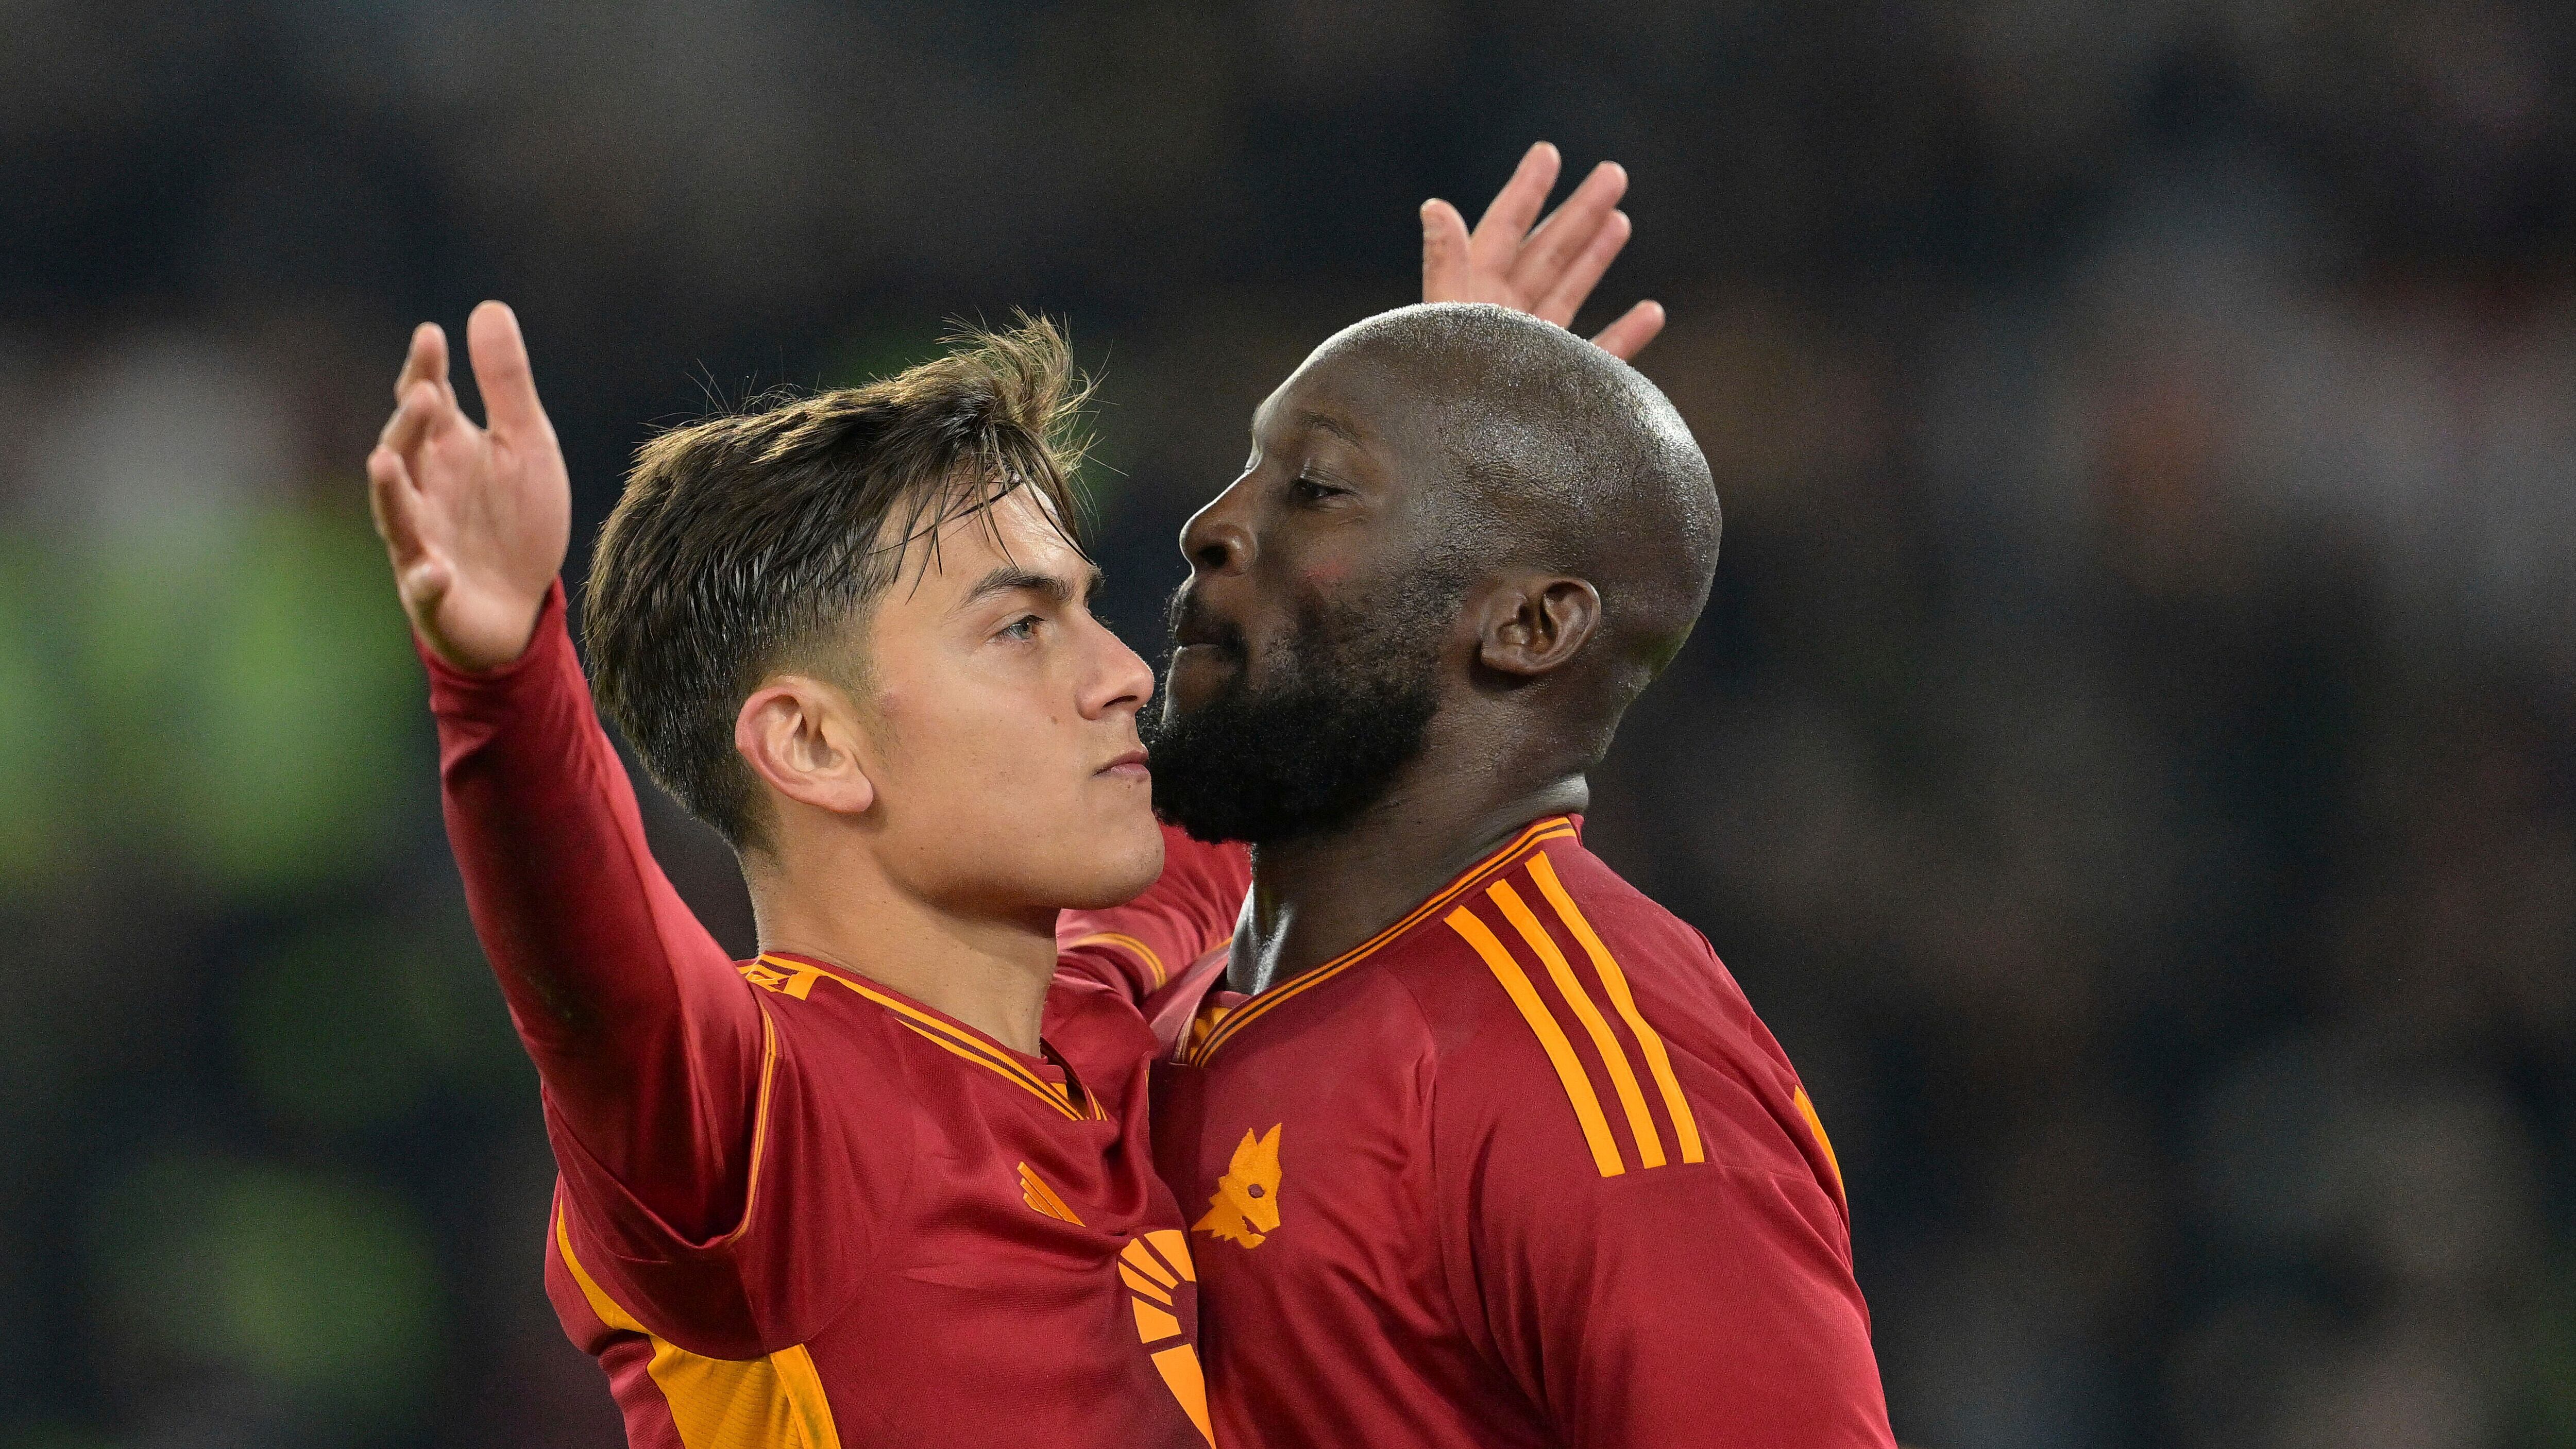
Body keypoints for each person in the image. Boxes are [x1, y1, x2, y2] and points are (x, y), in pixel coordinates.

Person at [364, 147, 1656, 1447]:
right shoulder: (775, 1128)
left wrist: (1452, 464)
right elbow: (592, 977)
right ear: (812, 742)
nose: (1122, 672)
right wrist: (502, 683)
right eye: (1020, 629)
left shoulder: (1114, 1000)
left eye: (1085, 608)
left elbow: (1311, 740)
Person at [1058, 303, 1900, 1448]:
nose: (1210, 525)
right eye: (1247, 468)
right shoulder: (1180, 991)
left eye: (1314, 488)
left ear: (1530, 625)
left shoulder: (1596, 1076)